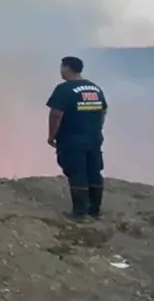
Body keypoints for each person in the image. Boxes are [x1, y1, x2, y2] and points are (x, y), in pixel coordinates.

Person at [46, 56, 108, 221]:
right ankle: (94, 211)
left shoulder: (64, 89)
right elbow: (103, 111)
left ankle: (80, 213)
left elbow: (56, 115)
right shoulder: (95, 88)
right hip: (94, 137)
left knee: (77, 172)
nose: (60, 70)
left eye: (62, 67)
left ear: (67, 68)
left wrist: (51, 136)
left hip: (72, 139)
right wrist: (97, 129)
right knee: (94, 171)